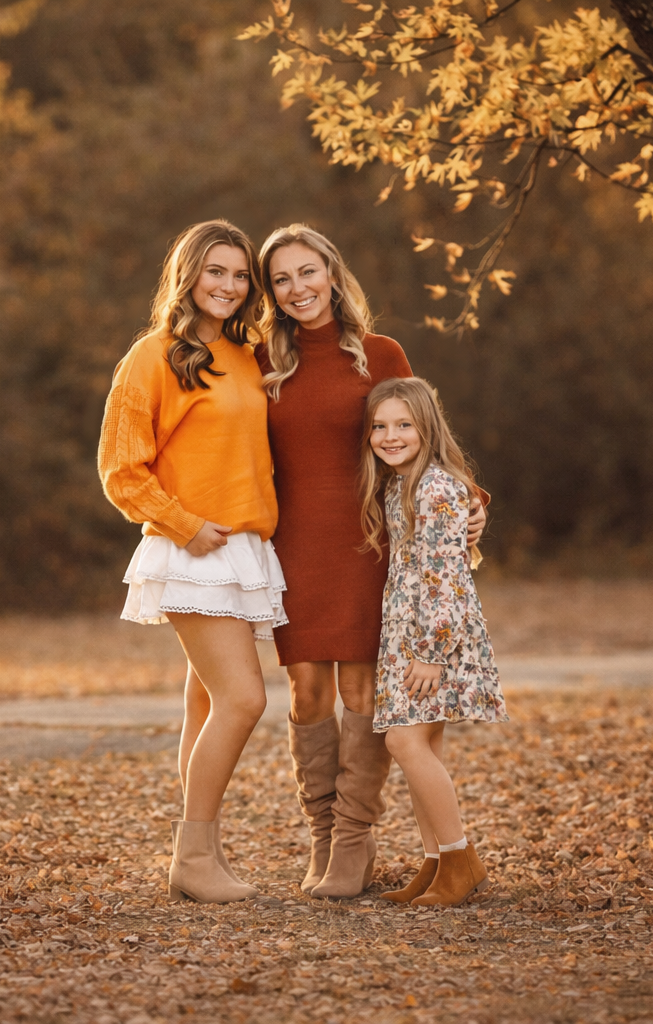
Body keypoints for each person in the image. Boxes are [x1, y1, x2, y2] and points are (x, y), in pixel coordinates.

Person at [255, 224, 485, 898]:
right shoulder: (261, 362)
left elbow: (422, 434)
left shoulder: (379, 353)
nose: (298, 289)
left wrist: (471, 497)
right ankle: (323, 837)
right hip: (289, 546)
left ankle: (354, 840)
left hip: (365, 542)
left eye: (307, 272)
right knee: (304, 694)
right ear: (271, 293)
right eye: (282, 280)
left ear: (331, 272)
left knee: (360, 691)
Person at [97, 220, 282, 903]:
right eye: (216, 272)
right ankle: (192, 855)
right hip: (192, 548)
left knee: (206, 702)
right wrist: (185, 524)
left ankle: (202, 850)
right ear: (188, 275)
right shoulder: (152, 356)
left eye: (240, 276)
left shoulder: (250, 350)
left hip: (246, 548)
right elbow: (121, 469)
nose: (229, 287)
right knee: (244, 698)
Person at [359, 376, 505, 906]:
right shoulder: (401, 484)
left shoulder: (437, 487)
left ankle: (461, 859)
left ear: (427, 427)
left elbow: (445, 574)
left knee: (403, 741)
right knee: (425, 745)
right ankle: (437, 863)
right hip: (409, 631)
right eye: (379, 426)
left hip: (432, 637)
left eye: (404, 425)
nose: (390, 436)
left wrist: (431, 653)